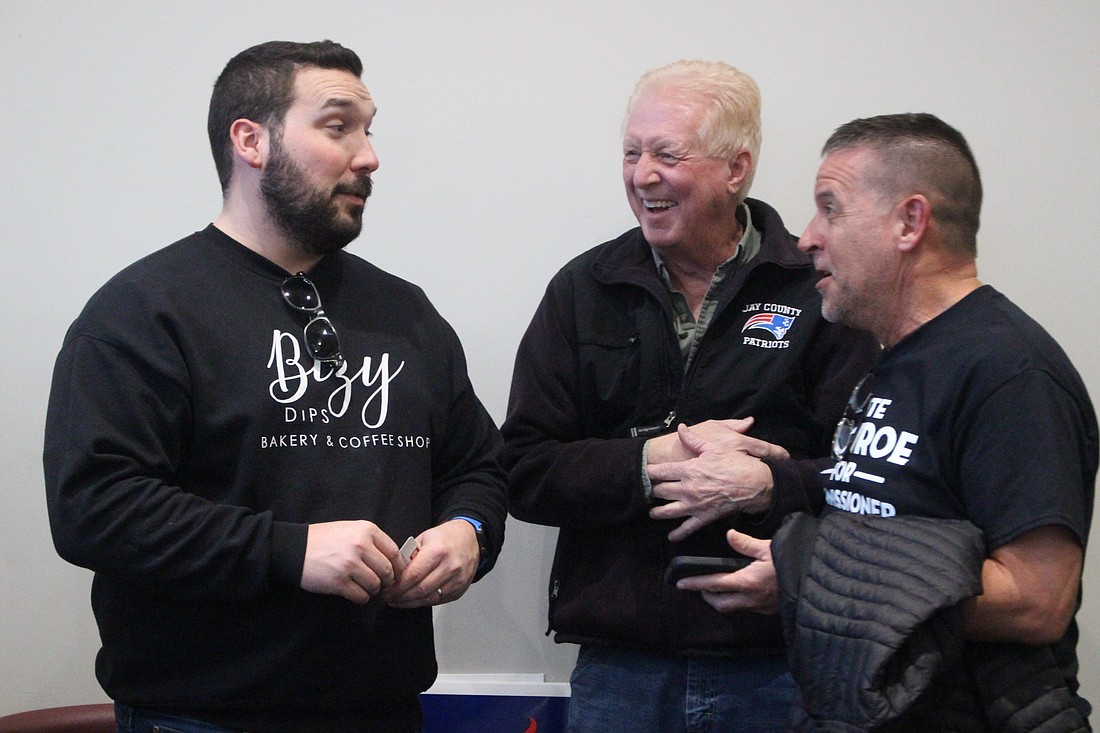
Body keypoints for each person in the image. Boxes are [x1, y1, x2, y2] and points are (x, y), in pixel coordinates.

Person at [43, 40, 507, 733]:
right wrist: (287, 551)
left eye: (368, 128)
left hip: (383, 709)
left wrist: (469, 531)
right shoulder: (145, 311)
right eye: (337, 125)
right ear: (251, 140)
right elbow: (96, 506)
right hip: (203, 714)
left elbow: (478, 466)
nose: (368, 155)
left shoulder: (406, 312)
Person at [676, 113, 1097, 728]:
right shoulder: (891, 360)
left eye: (831, 209)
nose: (807, 238)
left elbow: (1039, 601)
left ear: (910, 222)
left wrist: (808, 581)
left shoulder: (1009, 371)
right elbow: (899, 506)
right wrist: (782, 477)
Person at [500, 60, 879, 732]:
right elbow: (524, 470)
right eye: (632, 152)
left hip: (779, 661)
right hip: (621, 670)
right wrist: (651, 462)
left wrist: (771, 484)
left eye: (667, 154)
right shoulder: (583, 289)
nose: (643, 174)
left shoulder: (820, 290)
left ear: (737, 168)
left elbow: (875, 480)